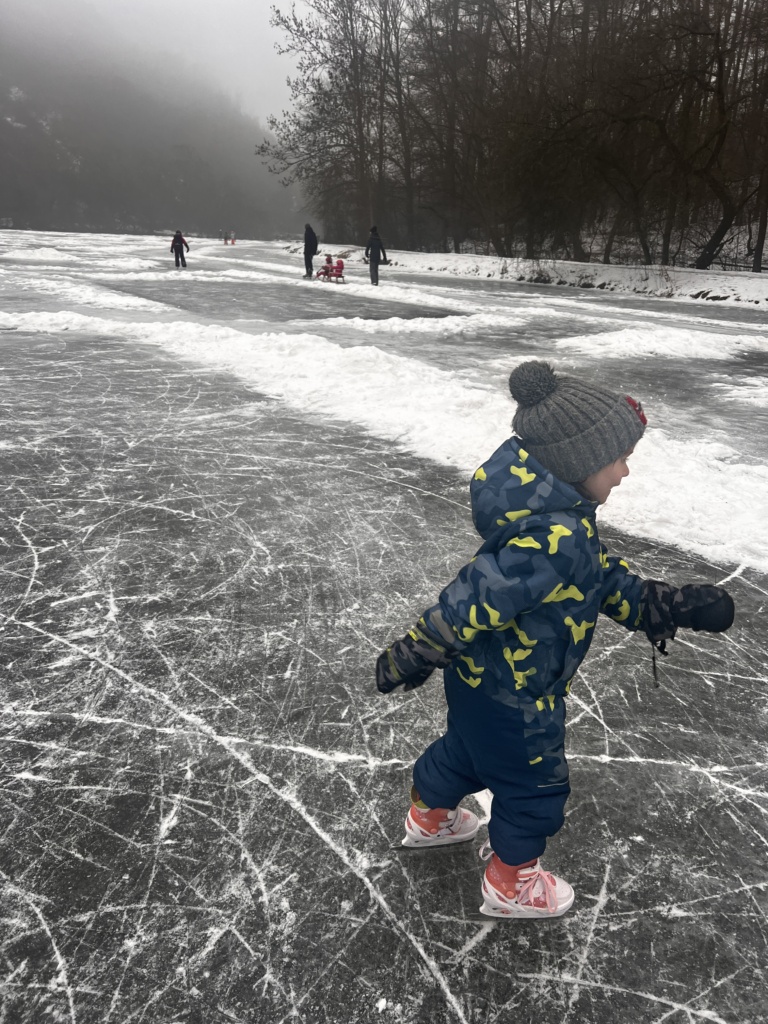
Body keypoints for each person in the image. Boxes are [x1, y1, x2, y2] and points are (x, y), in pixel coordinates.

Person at [376, 360, 734, 920]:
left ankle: (428, 819)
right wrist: (414, 651)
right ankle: (510, 883)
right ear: (579, 462)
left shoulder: (556, 518)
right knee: (533, 785)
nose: (624, 472)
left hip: (478, 684)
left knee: (466, 752)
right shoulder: (553, 536)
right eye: (619, 458)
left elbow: (596, 576)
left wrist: (662, 603)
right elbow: (471, 598)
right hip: (521, 694)